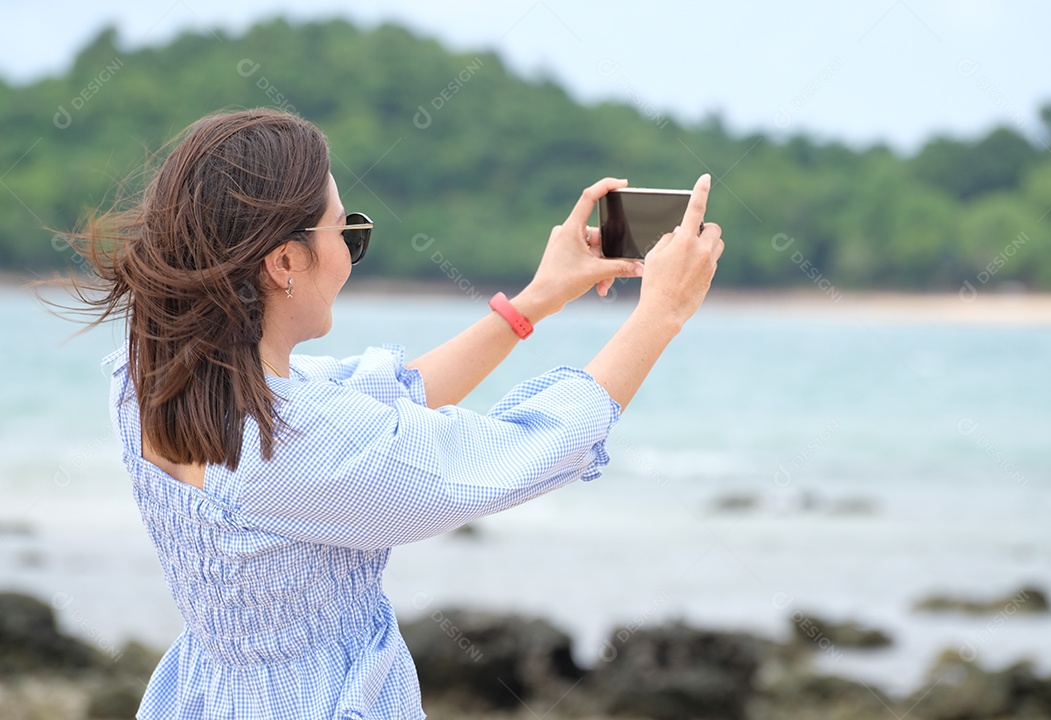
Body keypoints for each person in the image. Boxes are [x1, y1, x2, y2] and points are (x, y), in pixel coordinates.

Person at [61, 108, 724, 719]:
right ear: (285, 260)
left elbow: (386, 401)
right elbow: (514, 453)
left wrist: (538, 299)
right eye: (349, 231)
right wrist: (662, 314)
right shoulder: (289, 442)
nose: (351, 252)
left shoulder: (149, 378)